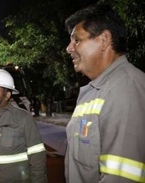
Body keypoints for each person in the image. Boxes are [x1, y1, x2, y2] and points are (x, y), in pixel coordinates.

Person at [65, 4, 145, 183]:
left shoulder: (125, 89)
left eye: (76, 40)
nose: (68, 48)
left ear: (104, 40)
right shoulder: (95, 91)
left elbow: (122, 177)